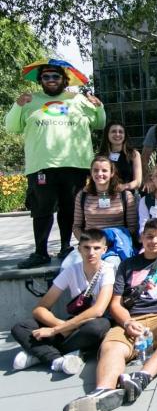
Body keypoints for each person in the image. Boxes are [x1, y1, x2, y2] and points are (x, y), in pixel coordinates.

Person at [63, 218, 157, 411]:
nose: (154, 241)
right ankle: (103, 393)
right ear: (141, 238)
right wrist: (126, 323)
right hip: (133, 318)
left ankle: (143, 377)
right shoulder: (127, 265)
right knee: (111, 347)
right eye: (150, 236)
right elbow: (115, 304)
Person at [5, 62, 105, 268]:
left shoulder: (77, 99)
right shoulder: (30, 100)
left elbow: (99, 123)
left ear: (65, 80)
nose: (51, 80)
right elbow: (11, 127)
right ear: (40, 81)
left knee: (69, 209)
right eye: (46, 77)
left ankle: (66, 247)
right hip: (41, 165)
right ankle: (40, 252)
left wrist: (99, 107)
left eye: (55, 77)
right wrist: (18, 105)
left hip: (74, 164)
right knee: (42, 210)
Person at [11, 229, 114, 375]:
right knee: (20, 327)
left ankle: (39, 352)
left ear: (104, 250)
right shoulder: (71, 271)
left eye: (96, 248)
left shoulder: (108, 270)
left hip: (92, 323)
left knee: (97, 327)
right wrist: (62, 326)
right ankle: (57, 358)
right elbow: (40, 309)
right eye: (86, 247)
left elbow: (98, 310)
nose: (91, 252)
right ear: (79, 249)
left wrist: (55, 330)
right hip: (72, 326)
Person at [72, 156, 138, 267]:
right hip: (89, 244)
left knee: (109, 266)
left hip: (114, 247)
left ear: (112, 173)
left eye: (104, 170)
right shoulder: (82, 195)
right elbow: (76, 227)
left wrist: (108, 240)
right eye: (96, 170)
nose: (99, 174)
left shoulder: (125, 196)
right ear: (91, 173)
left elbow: (133, 227)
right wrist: (87, 243)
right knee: (68, 266)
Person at [99, 122, 142, 192]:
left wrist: (124, 187)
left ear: (125, 135)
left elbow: (138, 182)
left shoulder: (134, 154)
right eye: (113, 131)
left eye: (121, 132)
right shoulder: (101, 156)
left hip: (127, 196)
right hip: (105, 196)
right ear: (107, 135)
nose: (117, 134)